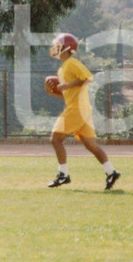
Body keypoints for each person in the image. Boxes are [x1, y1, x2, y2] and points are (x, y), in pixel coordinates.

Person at [45, 33, 121, 190]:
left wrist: (67, 85)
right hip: (80, 108)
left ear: (66, 48)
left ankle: (63, 174)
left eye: (58, 45)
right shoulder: (63, 68)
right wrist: (55, 92)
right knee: (90, 145)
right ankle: (111, 172)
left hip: (77, 109)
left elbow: (88, 78)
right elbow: (69, 93)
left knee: (55, 139)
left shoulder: (72, 63)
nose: (55, 48)